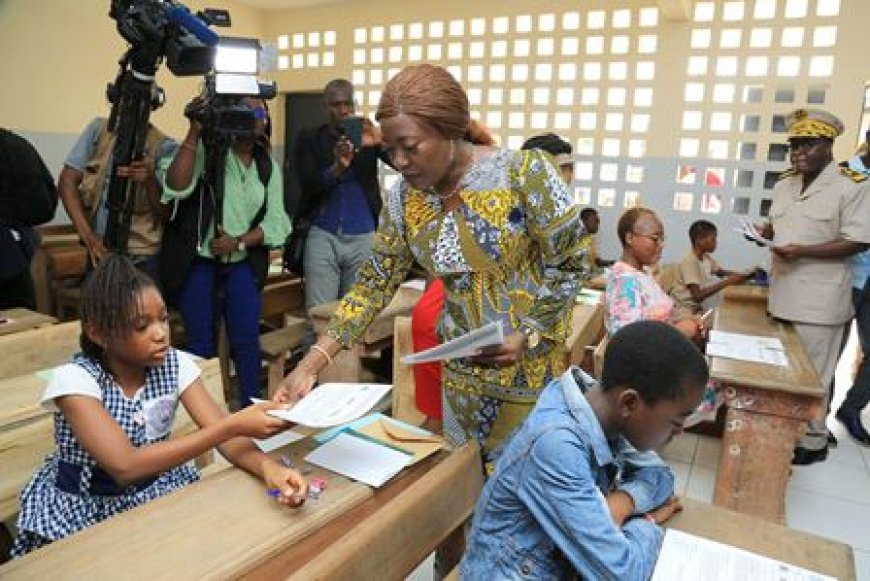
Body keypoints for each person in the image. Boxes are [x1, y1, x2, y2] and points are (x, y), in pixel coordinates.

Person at [275, 64, 590, 470]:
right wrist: (309, 365)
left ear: (450, 129)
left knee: (523, 496)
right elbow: (373, 284)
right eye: (390, 150)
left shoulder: (523, 174)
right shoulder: (405, 200)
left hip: (528, 375)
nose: (400, 161)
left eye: (410, 146)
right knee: (462, 486)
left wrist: (527, 334)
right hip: (459, 379)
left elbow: (572, 261)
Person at [10, 255, 305, 558]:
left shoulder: (174, 365)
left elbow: (228, 440)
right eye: (142, 326)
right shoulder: (75, 381)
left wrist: (270, 469)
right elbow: (126, 466)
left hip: (152, 493)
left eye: (163, 318)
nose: (161, 334)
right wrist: (233, 423)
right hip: (83, 510)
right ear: (98, 333)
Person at [461, 320, 708, 580]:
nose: (679, 432)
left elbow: (660, 476)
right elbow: (622, 574)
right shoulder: (557, 445)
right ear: (630, 403)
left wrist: (621, 504)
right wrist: (647, 523)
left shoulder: (603, 403)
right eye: (677, 421)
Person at [753, 109, 870, 465]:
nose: (798, 151)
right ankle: (786, 432)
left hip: (820, 301)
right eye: (794, 144)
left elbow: (859, 241)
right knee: (785, 373)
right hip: (783, 293)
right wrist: (766, 233)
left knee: (814, 376)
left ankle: (813, 440)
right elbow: (783, 226)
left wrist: (802, 251)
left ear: (829, 145)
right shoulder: (784, 184)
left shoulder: (852, 184)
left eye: (808, 144)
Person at [159, 96, 291, 407]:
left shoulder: (267, 166)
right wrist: (194, 132)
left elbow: (277, 221)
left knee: (246, 343)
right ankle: (202, 418)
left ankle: (249, 413)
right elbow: (176, 185)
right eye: (243, 111)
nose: (252, 117)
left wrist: (240, 241)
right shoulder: (210, 152)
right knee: (200, 344)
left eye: (259, 111)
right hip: (200, 263)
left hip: (243, 263)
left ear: (266, 121)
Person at [294, 79, 386, 311]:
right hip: (323, 233)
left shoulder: (367, 137)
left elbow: (403, 165)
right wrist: (337, 167)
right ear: (325, 106)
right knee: (320, 311)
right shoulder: (310, 138)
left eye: (347, 104)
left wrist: (379, 140)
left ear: (354, 104)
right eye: (336, 104)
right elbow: (308, 186)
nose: (343, 110)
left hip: (363, 234)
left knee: (356, 313)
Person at [58, 115, 177, 278]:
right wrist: (89, 237)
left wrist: (149, 181)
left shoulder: (164, 146)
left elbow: (165, 214)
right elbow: (67, 181)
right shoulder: (99, 131)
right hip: (100, 252)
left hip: (141, 258)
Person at [605, 207, 701, 341]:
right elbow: (627, 344)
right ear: (630, 238)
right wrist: (680, 331)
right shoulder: (625, 282)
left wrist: (684, 323)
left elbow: (652, 321)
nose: (661, 245)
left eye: (662, 239)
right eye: (655, 238)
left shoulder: (642, 273)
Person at [834, 134, 870, 445]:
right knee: (830, 352)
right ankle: (814, 426)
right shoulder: (844, 174)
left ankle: (851, 409)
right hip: (845, 276)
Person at [0, 128, 58, 310]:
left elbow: (42, 205)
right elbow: (45, 205)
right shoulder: (16, 144)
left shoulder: (12, 147)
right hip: (13, 257)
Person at [670, 220, 754, 320]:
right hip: (682, 310)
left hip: (695, 308)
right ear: (700, 240)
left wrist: (747, 276)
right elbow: (697, 295)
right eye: (713, 239)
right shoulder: (690, 261)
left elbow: (722, 272)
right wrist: (727, 282)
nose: (716, 243)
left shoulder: (706, 259)